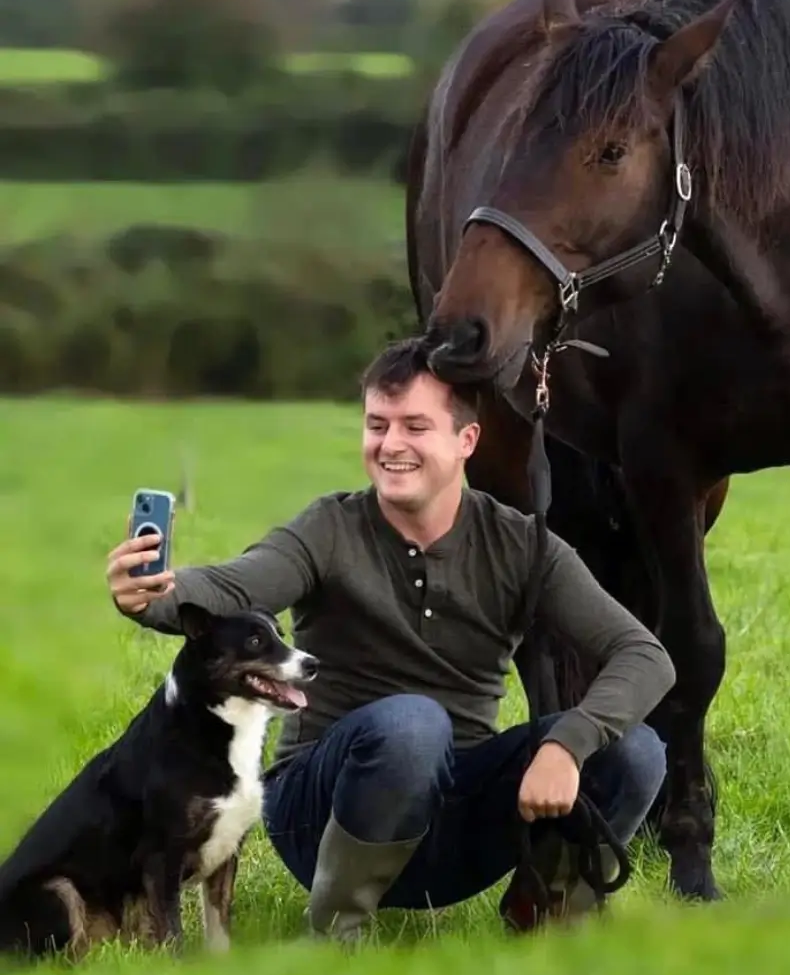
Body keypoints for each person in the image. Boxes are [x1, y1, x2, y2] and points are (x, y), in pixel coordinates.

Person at [104, 336, 676, 943]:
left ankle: (546, 914)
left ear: (466, 442)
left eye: (415, 426)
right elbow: (236, 585)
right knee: (411, 725)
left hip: (458, 817)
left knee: (637, 751)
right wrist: (157, 593)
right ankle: (338, 932)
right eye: (377, 425)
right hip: (321, 814)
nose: (390, 445)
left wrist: (569, 744)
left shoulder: (523, 545)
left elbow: (644, 656)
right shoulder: (330, 527)